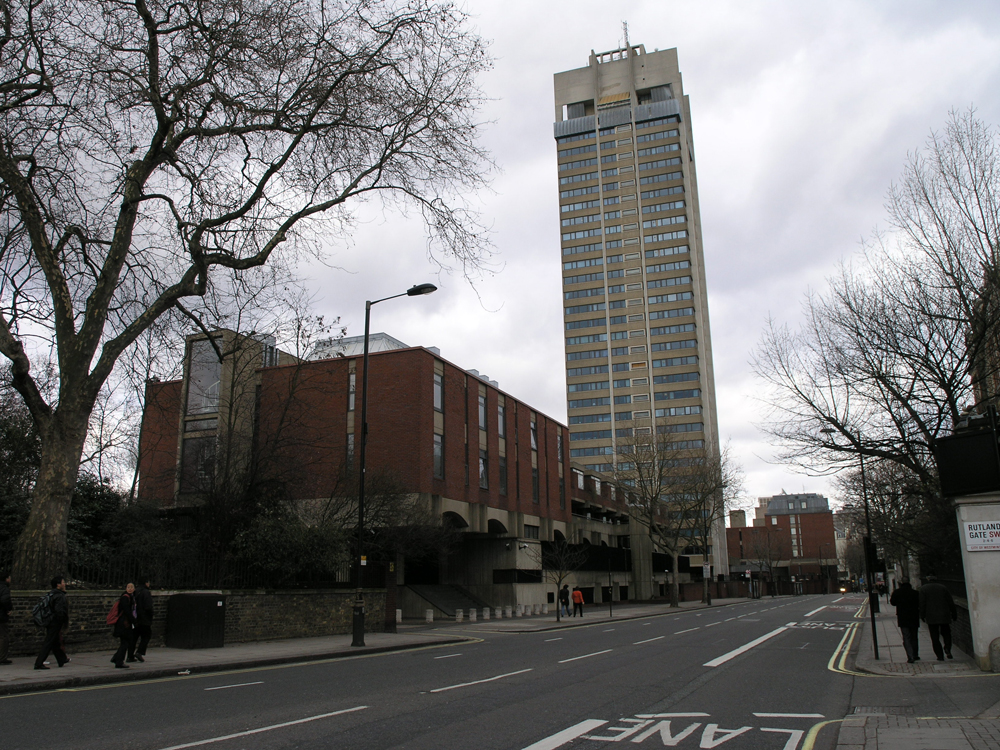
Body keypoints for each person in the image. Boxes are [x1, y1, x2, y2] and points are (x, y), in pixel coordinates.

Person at [34, 575, 69, 670]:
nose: (65, 584)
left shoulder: (51, 594)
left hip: (49, 620)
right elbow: (59, 611)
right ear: (58, 585)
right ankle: (39, 663)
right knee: (49, 642)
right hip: (55, 621)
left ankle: (61, 659)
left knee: (55, 641)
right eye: (63, 582)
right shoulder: (59, 596)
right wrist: (62, 620)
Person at [919, 576, 958, 661]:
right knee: (946, 633)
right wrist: (954, 613)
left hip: (931, 616)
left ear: (928, 580)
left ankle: (939, 655)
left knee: (935, 637)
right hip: (944, 614)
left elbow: (922, 603)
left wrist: (922, 615)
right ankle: (947, 648)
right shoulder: (943, 587)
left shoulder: (924, 589)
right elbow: (950, 601)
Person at [889, 578, 920, 663]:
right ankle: (915, 654)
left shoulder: (897, 592)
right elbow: (919, 603)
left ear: (901, 583)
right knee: (914, 637)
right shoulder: (915, 593)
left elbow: (893, 603)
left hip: (903, 617)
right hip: (914, 617)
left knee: (906, 637)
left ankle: (910, 656)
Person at [110, 583, 136, 668]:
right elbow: (127, 611)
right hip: (123, 624)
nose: (130, 589)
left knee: (125, 642)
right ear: (126, 588)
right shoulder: (125, 598)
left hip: (124, 623)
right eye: (128, 587)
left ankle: (116, 658)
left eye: (131, 587)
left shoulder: (130, 597)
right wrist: (134, 621)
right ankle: (119, 661)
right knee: (125, 642)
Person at [133, 577, 153, 662]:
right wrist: (150, 616)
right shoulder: (146, 592)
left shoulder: (135, 591)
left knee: (134, 637)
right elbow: (148, 607)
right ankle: (139, 652)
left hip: (135, 617)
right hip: (144, 618)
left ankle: (130, 655)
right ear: (146, 583)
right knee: (146, 636)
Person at [0, 571, 12, 665]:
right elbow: (5, 600)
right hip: (1, 615)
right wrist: (8, 609)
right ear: (6, 579)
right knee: (3, 636)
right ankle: (2, 657)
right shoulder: (4, 588)